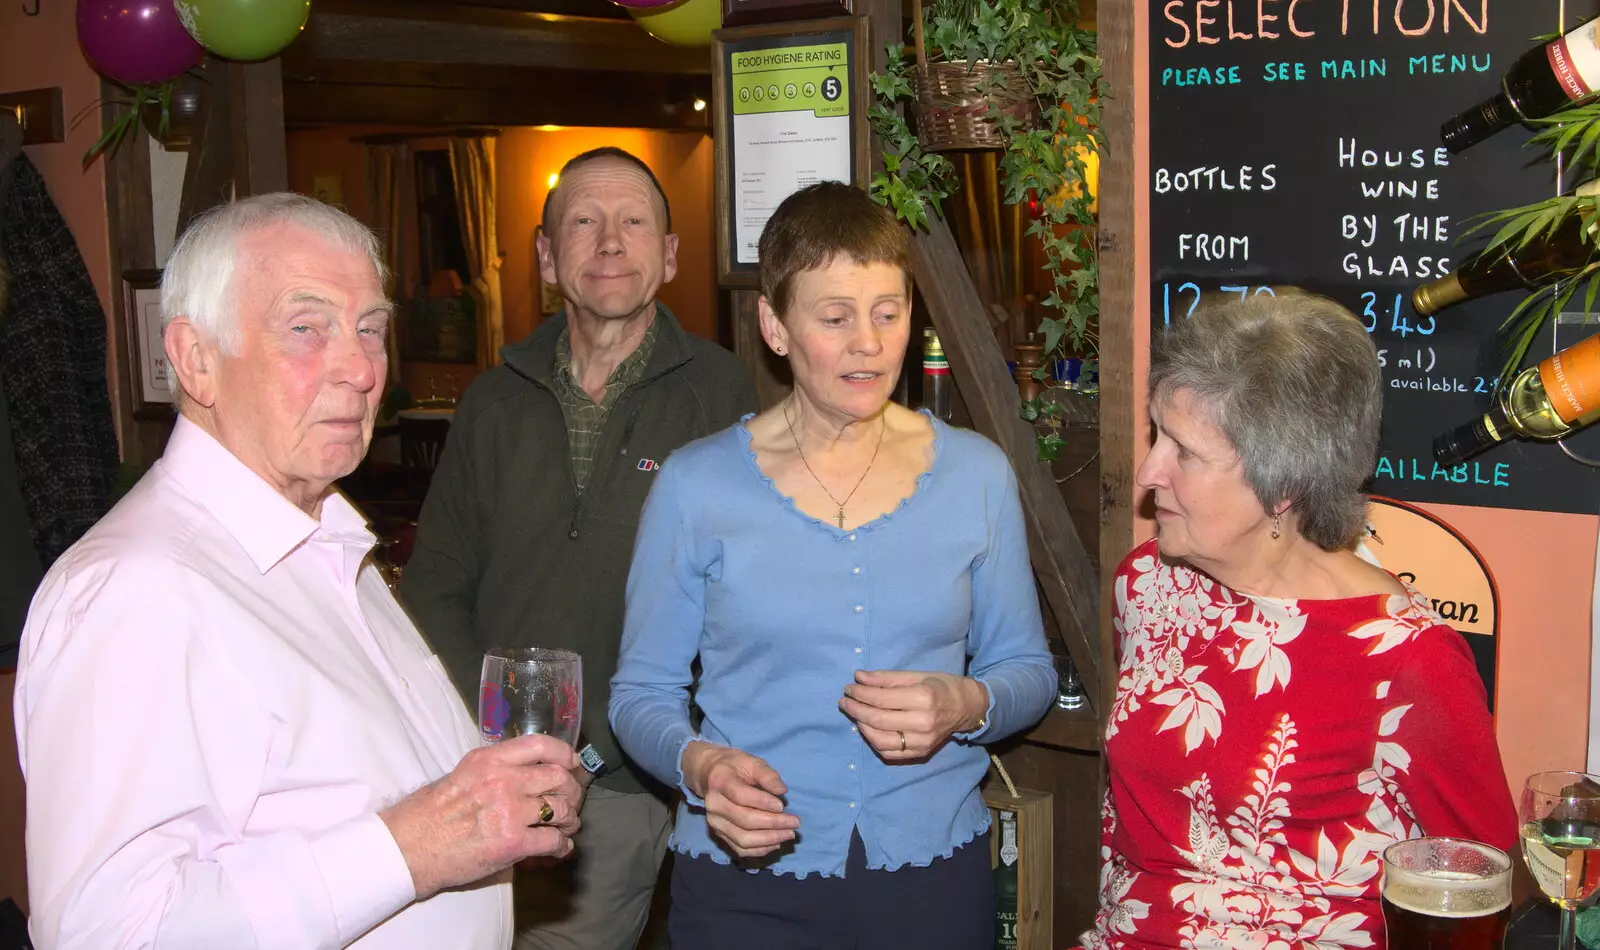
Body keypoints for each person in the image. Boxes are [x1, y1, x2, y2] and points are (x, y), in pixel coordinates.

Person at [14, 193, 585, 950]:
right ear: (195, 358)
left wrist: (493, 809)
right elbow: (104, 934)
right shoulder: (138, 589)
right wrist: (417, 846)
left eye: (371, 329)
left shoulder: (325, 545)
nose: (359, 368)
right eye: (305, 328)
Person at [609, 181, 1056, 949]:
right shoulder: (696, 484)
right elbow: (640, 693)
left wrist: (965, 702)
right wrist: (702, 765)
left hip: (932, 876)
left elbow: (1027, 670)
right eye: (835, 317)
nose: (870, 344)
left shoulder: (976, 475)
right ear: (775, 326)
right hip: (741, 883)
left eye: (889, 313)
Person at [1082, 291, 1517, 950]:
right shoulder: (1147, 585)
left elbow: (1483, 878)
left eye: (1185, 452)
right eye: (1155, 434)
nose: (1149, 472)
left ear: (1282, 484)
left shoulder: (1408, 661)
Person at [401, 146, 757, 949]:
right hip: (477, 772)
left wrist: (592, 748)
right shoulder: (493, 399)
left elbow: (734, 605)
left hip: (622, 783)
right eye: (583, 222)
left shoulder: (721, 393)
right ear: (545, 255)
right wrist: (501, 746)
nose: (608, 242)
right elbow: (435, 585)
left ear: (668, 256)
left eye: (633, 222)